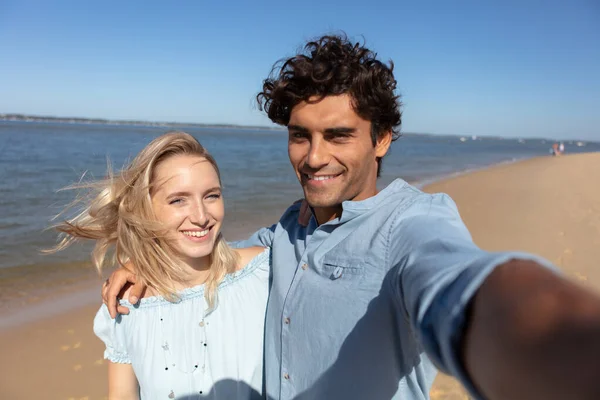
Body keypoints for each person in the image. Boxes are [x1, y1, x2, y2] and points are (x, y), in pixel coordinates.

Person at [104, 34, 600, 399]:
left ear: (381, 138)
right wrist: (146, 264)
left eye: (338, 135)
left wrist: (557, 341)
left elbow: (461, 286)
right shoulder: (290, 228)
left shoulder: (410, 224)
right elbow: (226, 259)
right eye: (301, 135)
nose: (314, 157)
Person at [50, 132, 269, 399]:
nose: (201, 217)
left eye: (211, 196)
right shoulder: (128, 303)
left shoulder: (263, 272)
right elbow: (122, 394)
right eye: (178, 200)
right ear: (146, 210)